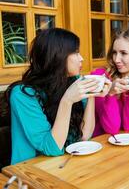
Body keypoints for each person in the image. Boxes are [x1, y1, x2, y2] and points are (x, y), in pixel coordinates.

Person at [7, 28, 111, 164]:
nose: (82, 58)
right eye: (76, 53)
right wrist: (67, 101)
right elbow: (52, 148)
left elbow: (85, 136)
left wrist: (92, 93)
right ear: (56, 56)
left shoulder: (73, 82)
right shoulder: (22, 95)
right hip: (32, 172)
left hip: (67, 164)